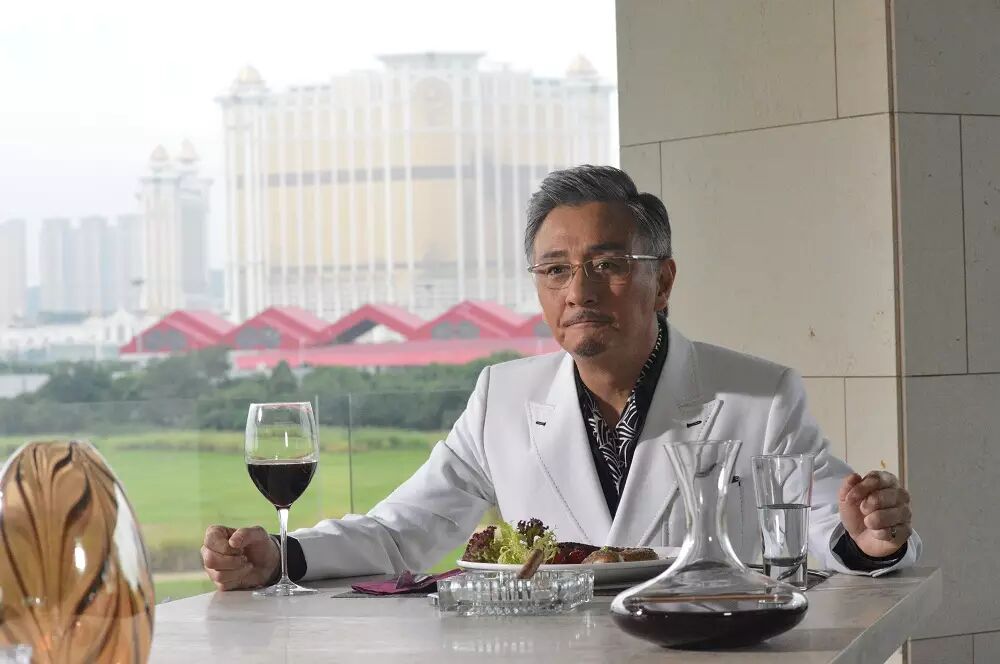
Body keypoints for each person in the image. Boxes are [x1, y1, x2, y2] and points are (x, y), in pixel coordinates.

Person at [202, 165, 920, 590]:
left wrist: (869, 537)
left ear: (664, 281)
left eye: (607, 265)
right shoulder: (502, 398)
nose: (578, 291)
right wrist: (282, 556)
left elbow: (825, 524)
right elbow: (402, 532)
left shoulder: (758, 396)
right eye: (555, 270)